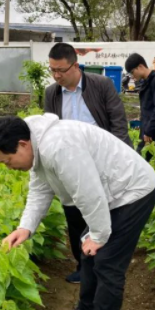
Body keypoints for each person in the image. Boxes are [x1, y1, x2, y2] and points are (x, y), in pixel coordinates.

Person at [0, 114, 155, 310]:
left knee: (107, 260)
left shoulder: (59, 147)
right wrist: (25, 227)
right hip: (108, 192)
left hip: (132, 191)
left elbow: (89, 194)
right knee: (87, 253)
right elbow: (41, 188)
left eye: (7, 162)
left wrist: (98, 236)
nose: (8, 167)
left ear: (22, 145)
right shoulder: (36, 144)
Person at [44, 42, 132, 285]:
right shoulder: (51, 93)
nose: (56, 75)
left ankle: (103, 264)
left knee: (103, 212)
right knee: (74, 215)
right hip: (70, 165)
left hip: (100, 161)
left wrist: (122, 159)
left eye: (61, 70)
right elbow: (48, 129)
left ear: (76, 65)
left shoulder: (100, 85)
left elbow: (117, 121)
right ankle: (82, 266)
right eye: (52, 70)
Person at [124, 53, 155, 161]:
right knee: (139, 163)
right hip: (149, 135)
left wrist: (148, 131)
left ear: (140, 67)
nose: (132, 76)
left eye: (133, 72)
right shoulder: (148, 82)